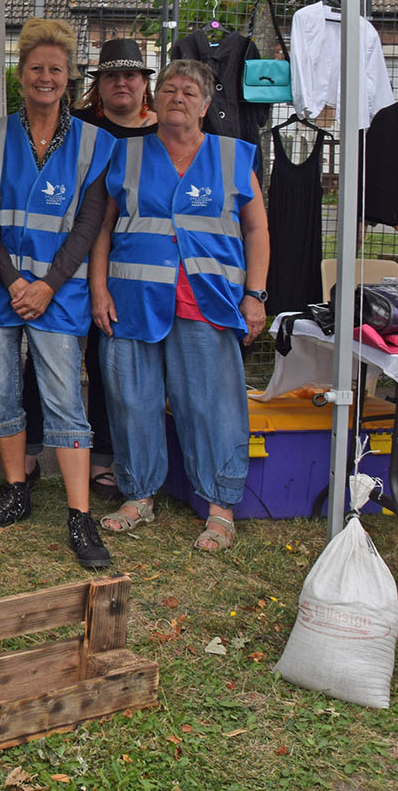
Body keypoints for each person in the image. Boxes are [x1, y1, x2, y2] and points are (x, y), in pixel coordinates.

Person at [90, 59, 267, 552]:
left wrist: (256, 295)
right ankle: (137, 495)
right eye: (169, 88)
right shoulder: (124, 155)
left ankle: (219, 507)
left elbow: (257, 229)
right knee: (131, 399)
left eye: (190, 91)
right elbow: (102, 229)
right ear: (155, 97)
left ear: (206, 105)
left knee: (213, 405)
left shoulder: (233, 156)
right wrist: (99, 290)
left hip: (207, 302)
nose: (179, 97)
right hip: (132, 301)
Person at [0, 18, 116, 569]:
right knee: (3, 394)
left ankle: (79, 516)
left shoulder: (95, 142)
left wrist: (48, 285)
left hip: (61, 294)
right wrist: (14, 283)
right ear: (20, 73)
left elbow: (89, 224)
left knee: (65, 402)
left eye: (56, 69)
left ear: (69, 77)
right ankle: (16, 490)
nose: (46, 77)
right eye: (36, 68)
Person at [19, 38, 158, 497]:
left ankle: (104, 460)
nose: (122, 83)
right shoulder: (74, 126)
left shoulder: (162, 134)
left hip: (134, 274)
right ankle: (30, 450)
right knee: (43, 363)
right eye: (112, 76)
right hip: (67, 268)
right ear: (97, 85)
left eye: (131, 75)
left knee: (107, 368)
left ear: (144, 84)